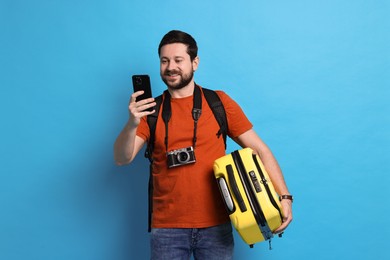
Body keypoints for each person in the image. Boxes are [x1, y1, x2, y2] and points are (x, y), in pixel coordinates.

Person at [114, 30, 293, 259]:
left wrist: (284, 197)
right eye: (164, 60)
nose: (171, 67)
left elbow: (260, 150)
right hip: (167, 229)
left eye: (178, 60)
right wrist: (131, 123)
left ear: (194, 62)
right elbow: (122, 157)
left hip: (217, 226)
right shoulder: (151, 111)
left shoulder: (218, 102)